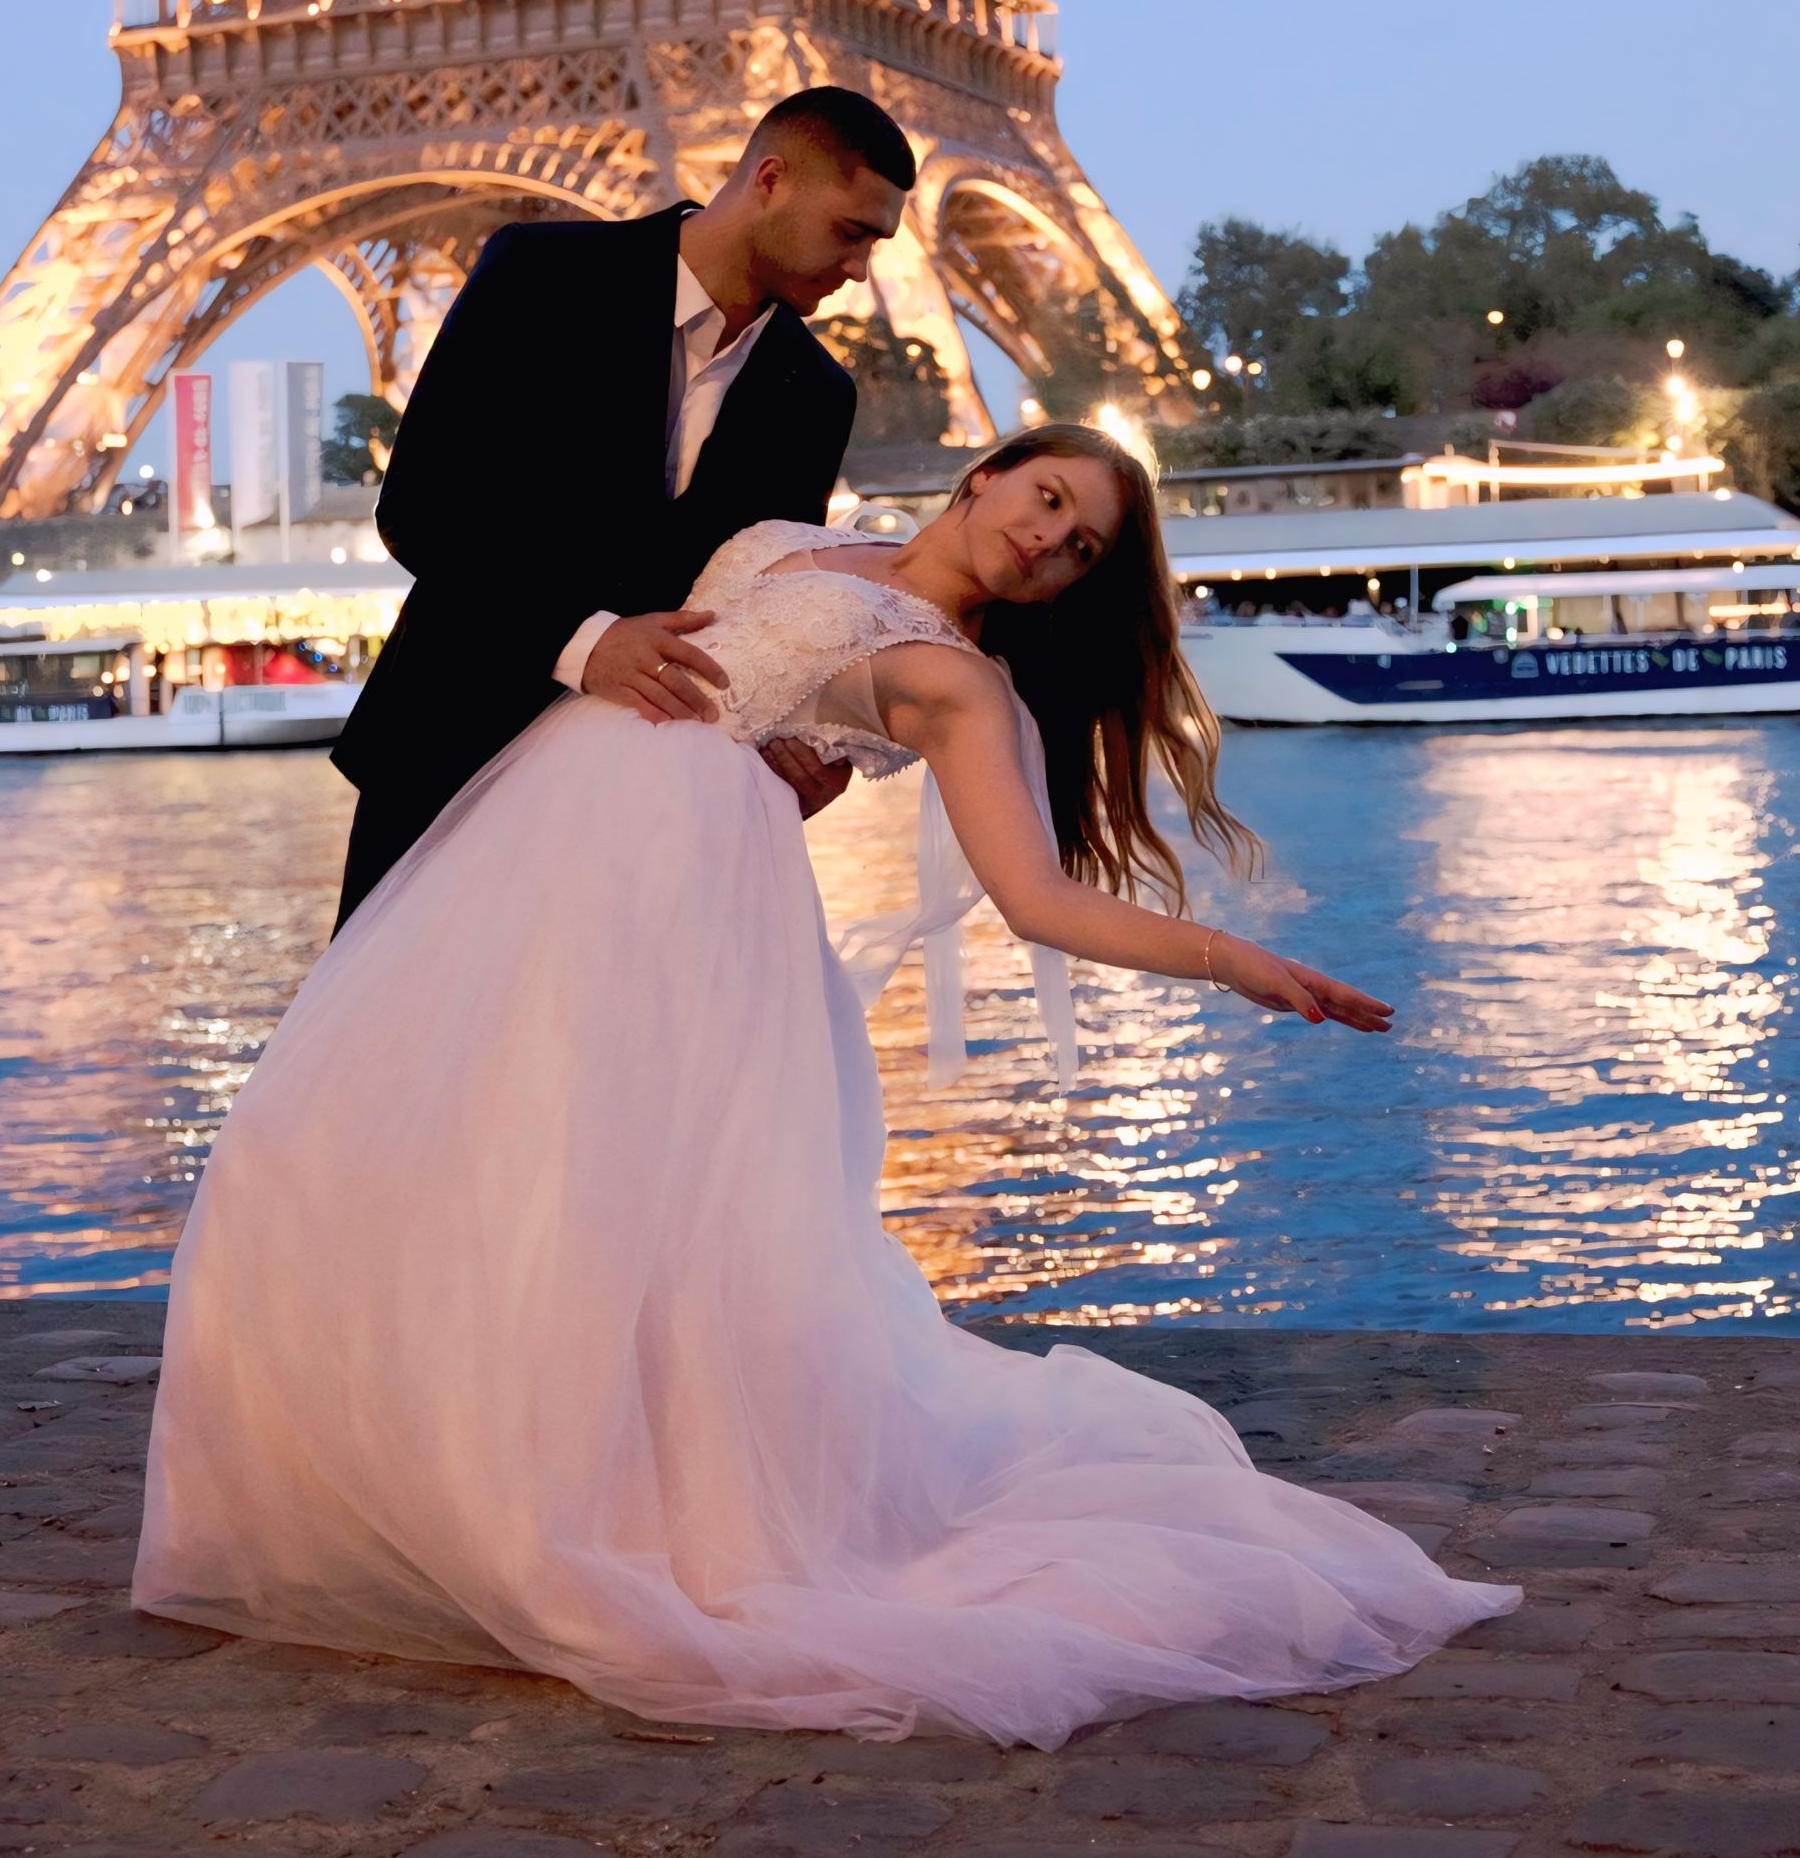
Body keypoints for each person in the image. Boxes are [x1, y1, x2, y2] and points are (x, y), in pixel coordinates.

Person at [136, 427, 1517, 1748]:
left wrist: (1230, 960)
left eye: (1082, 549)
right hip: (539, 836)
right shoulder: (795, 539)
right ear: (986, 477)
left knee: (590, 1199)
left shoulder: (955, 682)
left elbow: (1035, 897)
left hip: (674, 901)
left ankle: (556, 1512)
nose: (1048, 544)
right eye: (1046, 503)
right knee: (364, 1147)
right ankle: (400, 1482)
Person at [330, 84, 917, 923]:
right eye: (850, 231)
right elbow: (423, 505)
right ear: (771, 180)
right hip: (449, 749)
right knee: (391, 1047)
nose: (860, 268)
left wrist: (790, 743)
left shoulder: (817, 393)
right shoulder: (542, 275)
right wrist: (584, 641)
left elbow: (757, 598)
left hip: (650, 801)